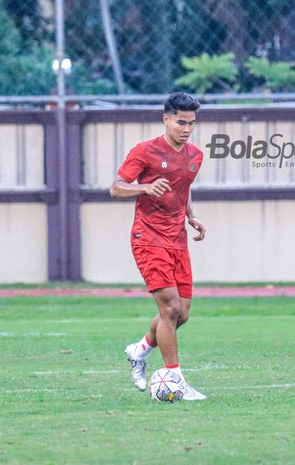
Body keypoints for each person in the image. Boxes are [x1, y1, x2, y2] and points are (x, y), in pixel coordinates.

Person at [109, 92, 207, 400]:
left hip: (177, 239)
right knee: (169, 308)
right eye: (181, 122)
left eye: (191, 123)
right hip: (148, 238)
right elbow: (116, 188)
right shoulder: (145, 151)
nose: (187, 129)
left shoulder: (195, 156)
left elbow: (183, 189)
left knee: (183, 314)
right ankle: (173, 378)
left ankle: (139, 350)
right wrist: (145, 187)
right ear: (166, 119)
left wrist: (191, 216)